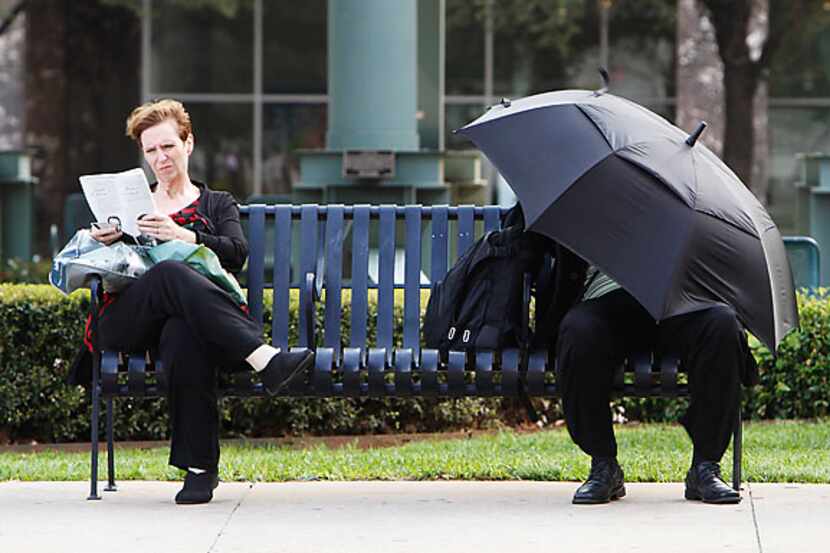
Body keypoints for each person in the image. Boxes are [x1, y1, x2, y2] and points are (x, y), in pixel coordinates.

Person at [76, 99, 314, 505]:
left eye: (167, 146)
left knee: (183, 332)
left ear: (188, 144)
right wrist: (106, 240)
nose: (159, 158)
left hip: (200, 324)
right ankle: (263, 358)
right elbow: (100, 272)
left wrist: (182, 235)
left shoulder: (216, 204)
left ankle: (199, 469)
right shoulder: (131, 205)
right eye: (150, 150)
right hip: (128, 319)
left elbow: (236, 253)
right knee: (167, 275)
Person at [539, 244, 753, 505]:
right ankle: (604, 466)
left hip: (681, 297)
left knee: (722, 324)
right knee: (578, 331)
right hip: (610, 297)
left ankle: (705, 467)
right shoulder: (590, 207)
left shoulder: (696, 205)